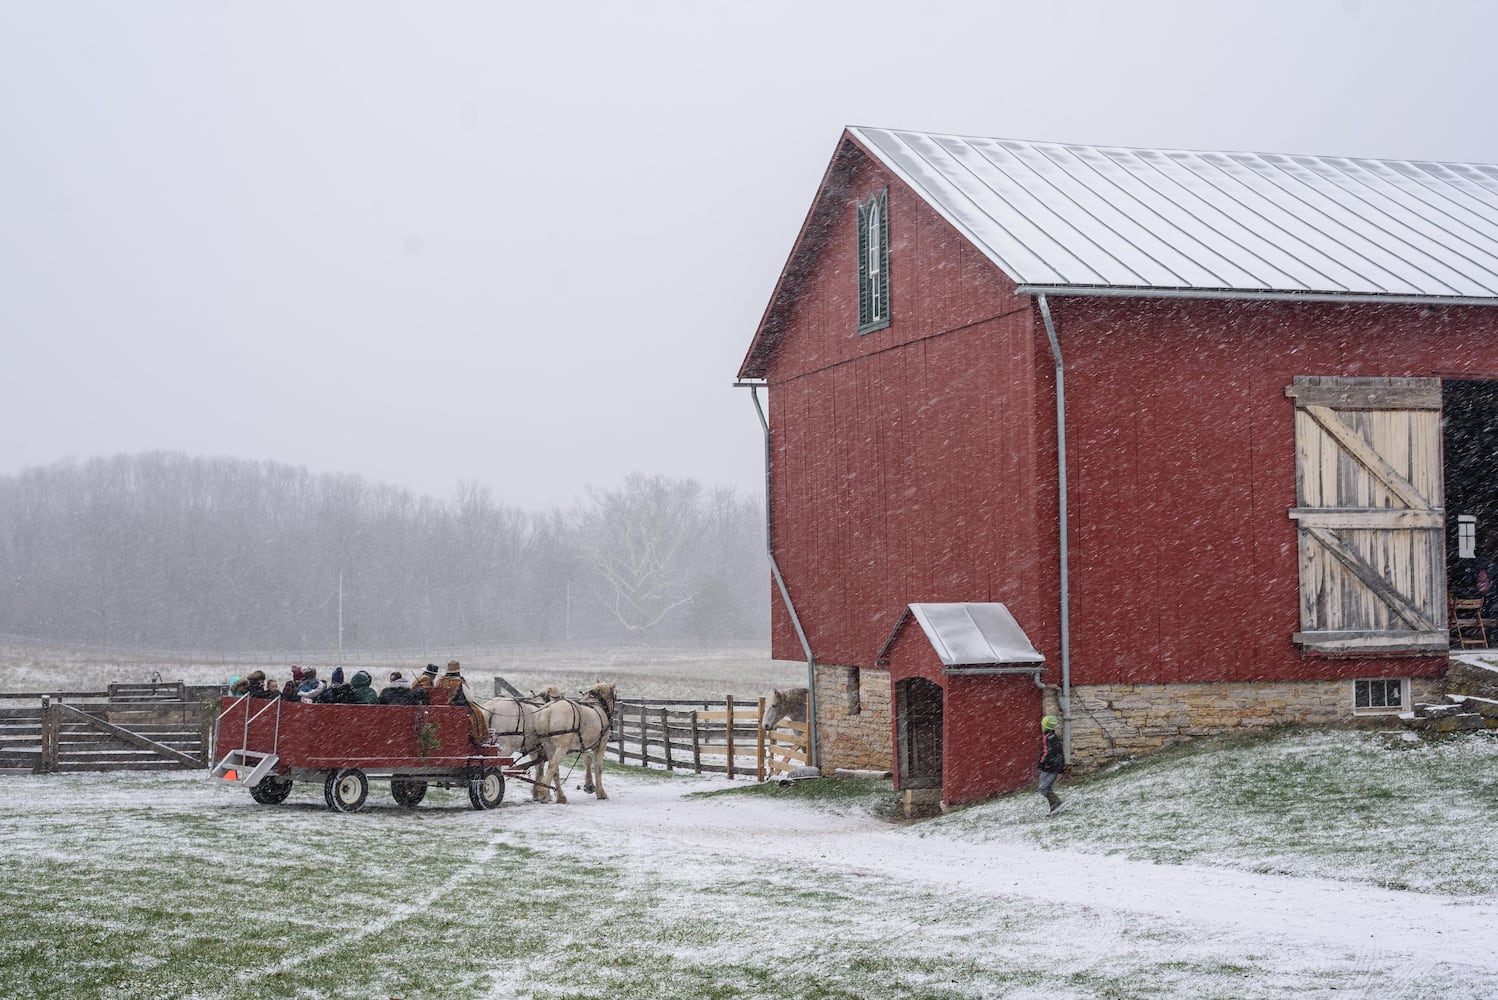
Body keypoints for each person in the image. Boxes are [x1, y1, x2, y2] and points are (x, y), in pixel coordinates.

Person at [437, 661, 489, 743]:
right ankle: (479, 737)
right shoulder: (459, 682)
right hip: (458, 708)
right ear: (458, 671)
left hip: (440, 709)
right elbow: (470, 698)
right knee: (477, 713)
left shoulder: (440, 681)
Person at [1038, 715, 1066, 815]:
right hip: (1055, 766)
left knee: (1043, 788)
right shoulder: (1053, 737)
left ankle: (1057, 804)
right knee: (1047, 788)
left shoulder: (1047, 738)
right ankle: (1054, 807)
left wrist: (1041, 763)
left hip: (1049, 767)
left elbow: (1046, 752)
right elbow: (1059, 752)